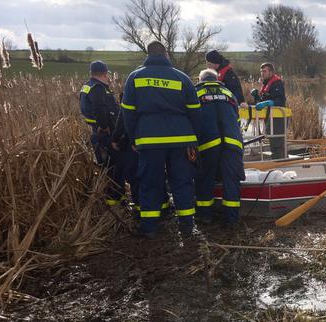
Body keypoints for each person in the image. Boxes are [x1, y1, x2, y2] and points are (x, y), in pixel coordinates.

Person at [121, 41, 203, 238]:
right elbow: (195, 112)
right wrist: (194, 139)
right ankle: (186, 226)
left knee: (150, 182)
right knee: (182, 181)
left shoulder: (134, 77)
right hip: (181, 138)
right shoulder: (181, 78)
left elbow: (127, 113)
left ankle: (149, 227)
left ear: (147, 54)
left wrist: (134, 138)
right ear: (166, 54)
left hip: (148, 139)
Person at [194, 69, 245, 225]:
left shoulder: (196, 92)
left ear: (200, 79)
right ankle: (232, 219)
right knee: (231, 180)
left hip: (208, 143)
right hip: (232, 142)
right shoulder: (228, 92)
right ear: (217, 79)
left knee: (205, 179)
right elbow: (236, 119)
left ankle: (205, 216)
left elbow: (192, 119)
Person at [79, 60, 131, 206]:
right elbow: (99, 108)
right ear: (104, 73)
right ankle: (114, 201)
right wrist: (104, 126)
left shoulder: (87, 86)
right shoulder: (98, 88)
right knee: (113, 167)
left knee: (109, 167)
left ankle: (118, 199)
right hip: (104, 134)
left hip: (97, 132)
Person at [249, 62, 287, 159]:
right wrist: (257, 95)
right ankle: (277, 160)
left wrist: (268, 103)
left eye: (264, 71)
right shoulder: (266, 83)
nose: (262, 73)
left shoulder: (277, 83)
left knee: (276, 141)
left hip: (278, 117)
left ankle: (279, 163)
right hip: (270, 117)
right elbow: (263, 100)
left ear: (271, 72)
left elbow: (280, 100)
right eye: (261, 71)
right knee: (272, 139)